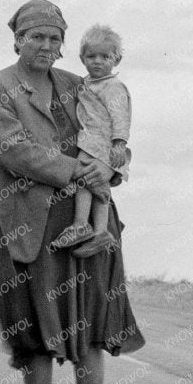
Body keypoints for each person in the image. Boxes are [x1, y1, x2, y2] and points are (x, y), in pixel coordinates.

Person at [0, 0, 144, 384]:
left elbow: (109, 128)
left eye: (54, 39)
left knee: (92, 329)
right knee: (35, 336)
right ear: (17, 40)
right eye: (37, 37)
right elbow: (13, 151)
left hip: (89, 222)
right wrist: (80, 169)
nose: (46, 46)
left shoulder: (78, 85)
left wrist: (114, 164)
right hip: (31, 226)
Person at [51, 23, 131, 255]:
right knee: (95, 184)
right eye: (91, 56)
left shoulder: (113, 86)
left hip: (99, 141)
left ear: (117, 59)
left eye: (105, 57)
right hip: (91, 140)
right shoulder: (87, 83)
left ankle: (80, 224)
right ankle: (99, 232)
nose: (97, 61)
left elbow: (121, 117)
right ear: (82, 57)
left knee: (85, 178)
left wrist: (119, 143)